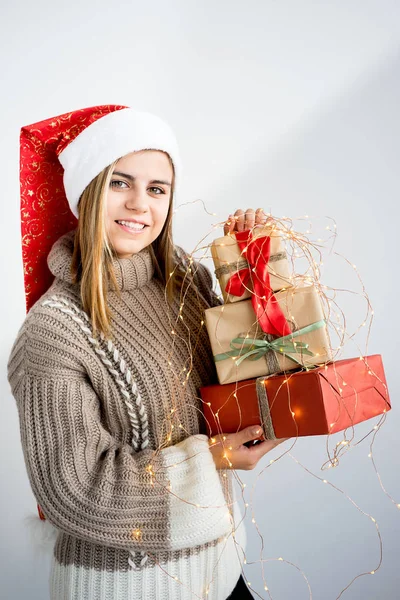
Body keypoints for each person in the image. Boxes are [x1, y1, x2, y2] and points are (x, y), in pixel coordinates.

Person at [7, 105, 287, 600]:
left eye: (157, 189)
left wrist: (256, 273)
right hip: (127, 587)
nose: (140, 204)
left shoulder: (186, 283)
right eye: (120, 182)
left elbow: (247, 386)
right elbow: (76, 491)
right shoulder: (53, 331)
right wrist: (214, 458)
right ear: (87, 192)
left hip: (222, 570)